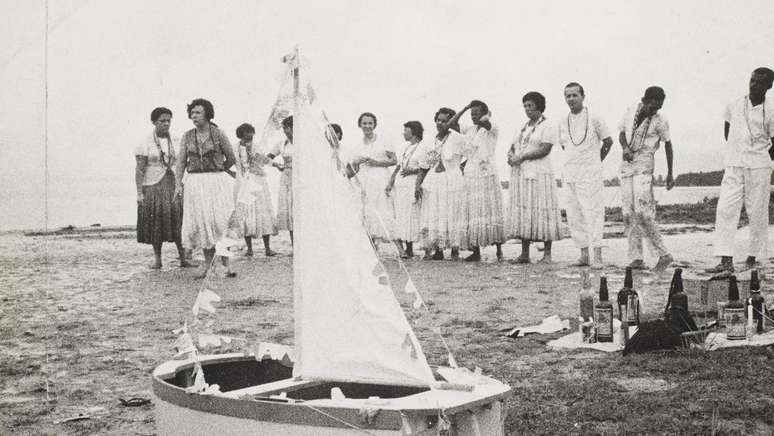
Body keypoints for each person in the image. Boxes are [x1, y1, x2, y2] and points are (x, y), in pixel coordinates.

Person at [707, 67, 774, 274]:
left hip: (760, 166)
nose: (754, 84)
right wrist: (738, 154)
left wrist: (760, 159)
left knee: (757, 212)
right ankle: (725, 260)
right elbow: (728, 132)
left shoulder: (772, 110)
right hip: (734, 165)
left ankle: (753, 257)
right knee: (725, 209)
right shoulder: (734, 105)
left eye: (760, 82)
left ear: (769, 86)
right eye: (752, 80)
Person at [174, 98, 237, 279]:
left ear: (207, 114)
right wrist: (178, 184)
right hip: (195, 182)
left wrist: (219, 169)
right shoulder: (187, 136)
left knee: (220, 222)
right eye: (192, 113)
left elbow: (231, 157)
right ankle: (209, 265)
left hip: (216, 182)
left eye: (198, 112)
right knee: (202, 222)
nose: (194, 116)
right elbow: (180, 163)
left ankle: (225, 265)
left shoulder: (218, 134)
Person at [618, 86, 675, 271]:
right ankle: (636, 258)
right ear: (644, 100)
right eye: (652, 106)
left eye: (658, 107)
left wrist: (669, 173)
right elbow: (621, 133)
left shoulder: (660, 120)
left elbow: (668, 144)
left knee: (643, 211)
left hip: (645, 164)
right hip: (627, 165)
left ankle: (664, 254)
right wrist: (625, 148)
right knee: (628, 212)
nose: (655, 110)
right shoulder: (630, 111)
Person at [557, 83, 613, 267]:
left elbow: (608, 141)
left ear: (583, 96)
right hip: (570, 174)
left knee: (593, 213)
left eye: (574, 95)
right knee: (574, 215)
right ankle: (583, 254)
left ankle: (597, 256)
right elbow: (566, 147)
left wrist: (596, 162)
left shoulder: (595, 118)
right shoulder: (562, 122)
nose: (571, 99)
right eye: (568, 96)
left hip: (590, 174)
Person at [506, 92, 563, 263]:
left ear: (538, 106)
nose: (527, 109)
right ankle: (524, 253)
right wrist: (510, 155)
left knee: (543, 209)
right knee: (525, 211)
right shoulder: (523, 127)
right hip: (522, 173)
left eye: (530, 106)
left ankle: (547, 254)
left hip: (540, 173)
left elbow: (545, 149)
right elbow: (514, 145)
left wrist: (522, 157)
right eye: (525, 106)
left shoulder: (548, 126)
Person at [135, 107, 192, 269]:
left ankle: (183, 258)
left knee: (178, 219)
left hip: (173, 183)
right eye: (162, 121)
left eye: (168, 121)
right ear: (154, 122)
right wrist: (139, 192)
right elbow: (139, 169)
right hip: (152, 185)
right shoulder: (145, 142)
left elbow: (183, 162)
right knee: (156, 222)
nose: (166, 124)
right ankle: (158, 259)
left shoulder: (176, 140)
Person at [449, 100, 504, 261]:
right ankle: (476, 250)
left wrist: (485, 115)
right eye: (472, 114)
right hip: (471, 171)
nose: (474, 117)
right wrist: (465, 108)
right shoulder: (469, 130)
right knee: (473, 210)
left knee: (490, 207)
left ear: (485, 113)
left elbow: (485, 123)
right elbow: (452, 125)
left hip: (486, 171)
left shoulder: (492, 128)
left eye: (476, 113)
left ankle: (498, 249)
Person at [418, 108, 466, 260]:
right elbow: (423, 166)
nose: (440, 123)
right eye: (438, 120)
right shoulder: (429, 141)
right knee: (435, 213)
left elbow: (472, 154)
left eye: (444, 120)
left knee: (452, 212)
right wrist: (417, 185)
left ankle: (454, 248)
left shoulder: (458, 138)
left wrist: (461, 168)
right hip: (433, 181)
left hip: (452, 180)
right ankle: (437, 249)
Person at [350, 112, 398, 247]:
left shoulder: (383, 140)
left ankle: (383, 241)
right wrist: (356, 162)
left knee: (381, 207)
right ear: (360, 125)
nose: (367, 126)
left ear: (374, 125)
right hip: (364, 178)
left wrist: (377, 162)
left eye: (370, 123)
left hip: (380, 178)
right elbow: (354, 166)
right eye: (364, 123)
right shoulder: (358, 145)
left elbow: (394, 160)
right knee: (366, 208)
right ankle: (371, 244)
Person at [234, 123, 278, 257]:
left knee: (263, 212)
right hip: (243, 183)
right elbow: (230, 162)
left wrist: (276, 164)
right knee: (246, 215)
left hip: (258, 182)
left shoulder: (256, 146)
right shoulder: (235, 148)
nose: (250, 138)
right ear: (241, 135)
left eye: (252, 136)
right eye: (248, 136)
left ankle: (267, 248)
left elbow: (264, 160)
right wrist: (234, 175)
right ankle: (250, 249)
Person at [386, 121, 425, 258]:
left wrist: (413, 171)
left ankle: (411, 247)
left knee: (411, 214)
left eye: (406, 130)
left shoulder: (423, 147)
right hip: (401, 186)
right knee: (402, 215)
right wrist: (391, 181)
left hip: (412, 184)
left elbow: (425, 167)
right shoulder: (407, 147)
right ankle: (406, 248)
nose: (403, 133)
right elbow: (399, 166)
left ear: (413, 132)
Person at [267, 116, 294, 246]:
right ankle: (295, 246)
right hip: (287, 177)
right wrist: (277, 165)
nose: (285, 131)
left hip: (301, 179)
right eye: (284, 128)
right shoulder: (282, 144)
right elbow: (265, 158)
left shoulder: (305, 143)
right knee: (290, 211)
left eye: (287, 128)